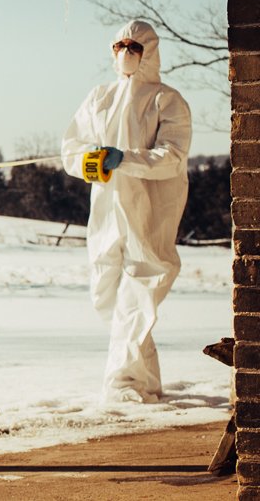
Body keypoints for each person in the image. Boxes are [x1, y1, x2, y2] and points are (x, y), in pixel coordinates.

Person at [61, 20, 192, 404]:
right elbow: (72, 145)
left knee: (139, 293)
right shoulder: (99, 97)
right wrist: (89, 163)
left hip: (149, 214)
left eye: (133, 45)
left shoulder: (166, 101)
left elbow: (173, 157)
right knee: (107, 296)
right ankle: (147, 379)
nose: (124, 52)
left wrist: (126, 159)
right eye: (118, 45)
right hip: (106, 212)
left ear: (149, 50)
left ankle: (124, 383)